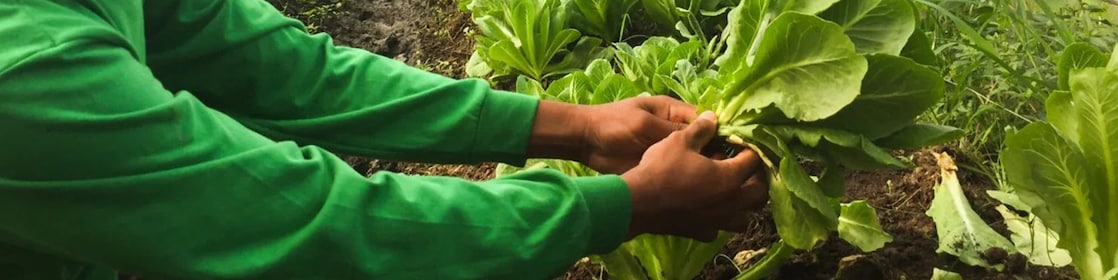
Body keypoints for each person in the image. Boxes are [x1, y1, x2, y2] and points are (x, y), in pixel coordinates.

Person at [0, 0, 769, 279]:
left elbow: (271, 66)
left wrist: (575, 126)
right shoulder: (25, 70)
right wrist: (618, 208)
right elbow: (306, 224)